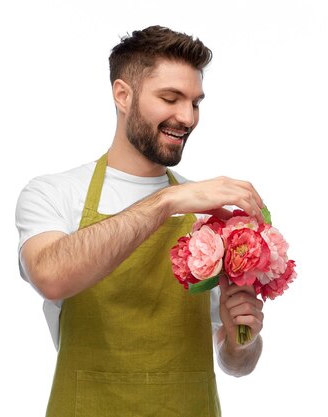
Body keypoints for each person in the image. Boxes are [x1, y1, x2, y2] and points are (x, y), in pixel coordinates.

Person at [16, 25, 265, 417]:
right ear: (122, 95)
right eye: (170, 98)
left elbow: (236, 362)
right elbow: (50, 275)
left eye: (195, 102)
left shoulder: (207, 210)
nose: (187, 117)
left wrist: (241, 342)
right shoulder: (54, 193)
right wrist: (167, 201)